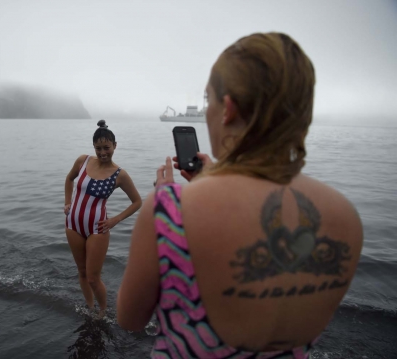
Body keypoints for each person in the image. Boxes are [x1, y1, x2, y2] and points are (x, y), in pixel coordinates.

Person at [116, 32, 363, 358]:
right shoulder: (346, 218)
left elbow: (130, 320)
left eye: (209, 100)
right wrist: (211, 181)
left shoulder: (169, 212)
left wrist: (165, 206)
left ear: (228, 109)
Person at [65, 120, 142, 318]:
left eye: (106, 148)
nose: (102, 152)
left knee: (92, 277)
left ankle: (102, 311)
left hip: (97, 228)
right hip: (72, 224)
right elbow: (69, 179)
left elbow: (137, 202)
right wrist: (67, 202)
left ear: (115, 146)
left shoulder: (119, 174)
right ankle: (89, 307)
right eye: (98, 148)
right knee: (81, 272)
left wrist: (115, 220)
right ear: (93, 147)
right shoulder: (83, 161)